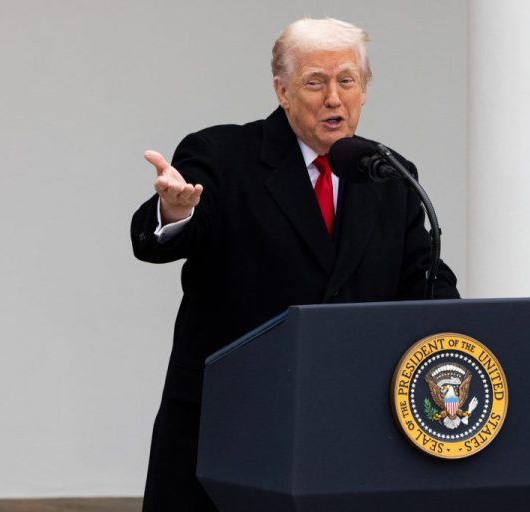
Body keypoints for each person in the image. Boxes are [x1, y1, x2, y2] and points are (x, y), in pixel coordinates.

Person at [131, 17, 459, 511]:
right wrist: (176, 209)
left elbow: (426, 283)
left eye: (346, 80)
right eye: (315, 82)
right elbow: (161, 237)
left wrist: (462, 332)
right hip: (232, 428)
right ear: (282, 91)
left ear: (364, 90)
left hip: (351, 430)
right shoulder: (221, 155)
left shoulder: (390, 176)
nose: (333, 97)